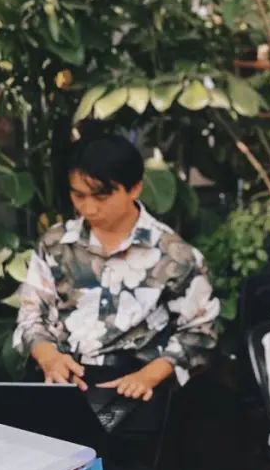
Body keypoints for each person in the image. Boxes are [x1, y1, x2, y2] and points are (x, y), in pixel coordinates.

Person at [14, 130, 221, 401]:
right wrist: (49, 358)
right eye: (78, 195)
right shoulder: (55, 243)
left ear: (134, 188)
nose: (89, 208)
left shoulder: (174, 255)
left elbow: (200, 331)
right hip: (59, 377)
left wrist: (148, 377)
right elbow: (31, 315)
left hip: (131, 385)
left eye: (101, 197)